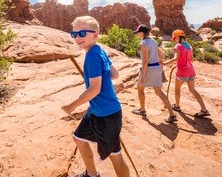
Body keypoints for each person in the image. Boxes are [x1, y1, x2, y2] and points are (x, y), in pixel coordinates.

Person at [61, 16, 130, 177]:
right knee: (79, 138)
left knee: (115, 156)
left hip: (107, 115)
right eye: (74, 34)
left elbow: (94, 90)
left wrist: (72, 105)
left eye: (83, 33)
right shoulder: (99, 50)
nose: (78, 37)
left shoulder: (92, 56)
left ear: (95, 35)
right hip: (97, 110)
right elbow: (115, 74)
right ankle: (92, 174)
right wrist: (102, 78)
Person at [132, 24, 177, 123]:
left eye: (138, 32)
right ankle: (172, 114)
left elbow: (145, 61)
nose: (137, 34)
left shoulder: (143, 43)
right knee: (159, 92)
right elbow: (160, 53)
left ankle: (142, 110)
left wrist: (143, 76)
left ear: (142, 33)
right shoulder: (153, 41)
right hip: (156, 67)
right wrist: (161, 62)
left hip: (149, 69)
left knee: (140, 88)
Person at [163, 30, 210, 117]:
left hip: (182, 72)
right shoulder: (189, 46)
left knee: (177, 88)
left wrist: (164, 64)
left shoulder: (178, 46)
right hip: (191, 71)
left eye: (174, 38)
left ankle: (177, 106)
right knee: (192, 90)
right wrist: (183, 61)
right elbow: (191, 60)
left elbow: (176, 58)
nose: (174, 40)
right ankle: (204, 109)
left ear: (177, 37)